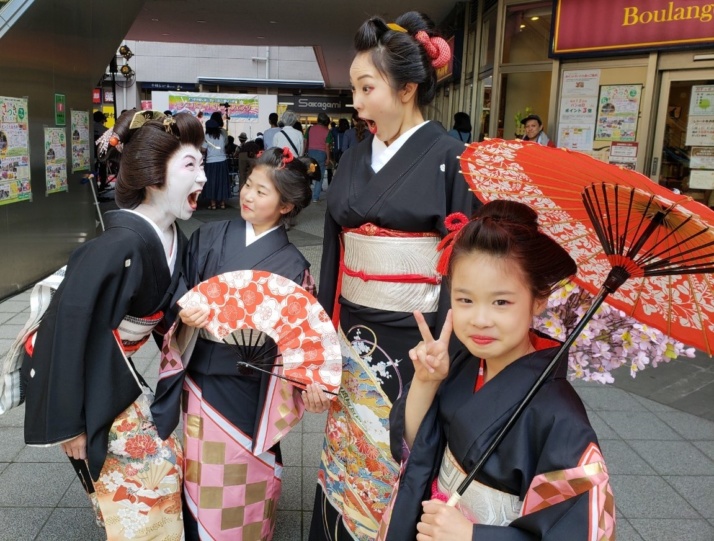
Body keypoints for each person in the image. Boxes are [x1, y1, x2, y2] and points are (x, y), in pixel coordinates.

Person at [309, 11, 473, 541]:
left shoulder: (452, 158)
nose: (355, 102)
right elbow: (334, 250)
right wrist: (320, 339)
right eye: (353, 88)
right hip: (353, 329)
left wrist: (452, 346)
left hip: (418, 339)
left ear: (407, 88)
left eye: (366, 87)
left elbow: (461, 262)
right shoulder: (355, 159)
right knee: (346, 446)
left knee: (401, 447)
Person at [378, 200, 616, 540]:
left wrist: (473, 535)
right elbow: (417, 451)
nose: (480, 319)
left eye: (501, 302)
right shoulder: (462, 363)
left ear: (538, 299)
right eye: (465, 300)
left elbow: (577, 532)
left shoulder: (561, 419)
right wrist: (426, 383)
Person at [21, 110, 207, 540]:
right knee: (146, 477)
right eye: (190, 166)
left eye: (202, 163)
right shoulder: (118, 244)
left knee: (146, 476)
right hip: (84, 377)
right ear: (152, 174)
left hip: (114, 370)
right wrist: (70, 423)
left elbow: (160, 305)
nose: (202, 178)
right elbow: (65, 329)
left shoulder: (171, 236)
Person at [151, 147, 331, 541]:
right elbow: (179, 285)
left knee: (249, 459)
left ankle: (248, 530)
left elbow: (299, 337)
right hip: (203, 372)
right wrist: (186, 309)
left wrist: (308, 383)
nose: (248, 196)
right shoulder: (209, 235)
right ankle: (202, 530)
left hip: (255, 383)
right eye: (248, 185)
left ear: (286, 207)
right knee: (204, 465)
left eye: (261, 192)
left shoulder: (292, 263)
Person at [203, 112, 230, 209]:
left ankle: (213, 204)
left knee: (211, 182)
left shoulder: (206, 137)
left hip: (211, 162)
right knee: (221, 182)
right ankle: (222, 204)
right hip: (222, 161)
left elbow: (203, 149)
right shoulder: (221, 136)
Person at [305, 112, 333, 202]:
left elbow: (305, 141)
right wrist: (328, 158)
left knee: (310, 173)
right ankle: (315, 197)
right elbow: (327, 146)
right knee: (319, 176)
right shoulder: (327, 131)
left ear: (318, 120)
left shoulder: (309, 129)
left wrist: (305, 151)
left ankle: (306, 195)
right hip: (321, 154)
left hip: (311, 154)